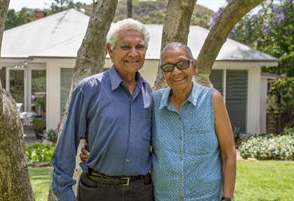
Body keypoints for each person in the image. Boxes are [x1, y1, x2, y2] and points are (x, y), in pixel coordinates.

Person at [81, 42, 237, 201]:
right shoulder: (153, 102)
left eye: (182, 64)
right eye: (168, 67)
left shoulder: (212, 99)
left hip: (207, 198)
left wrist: (227, 198)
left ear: (194, 66)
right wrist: (98, 150)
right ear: (163, 73)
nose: (176, 72)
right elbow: (131, 135)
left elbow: (229, 153)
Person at [51, 18, 154, 201]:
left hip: (141, 192)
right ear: (110, 50)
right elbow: (67, 144)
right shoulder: (89, 89)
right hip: (98, 191)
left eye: (139, 46)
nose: (133, 53)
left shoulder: (150, 95)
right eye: (125, 46)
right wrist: (65, 194)